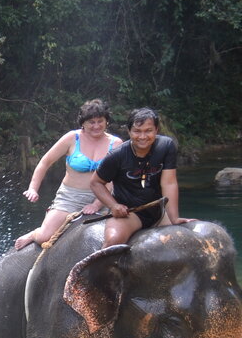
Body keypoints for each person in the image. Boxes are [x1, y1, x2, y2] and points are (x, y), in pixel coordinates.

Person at [15, 99, 120, 250]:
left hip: (103, 197)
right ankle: (34, 234)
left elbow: (113, 179)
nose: (96, 126)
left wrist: (97, 204)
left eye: (100, 121)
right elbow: (45, 162)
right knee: (45, 236)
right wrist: (33, 188)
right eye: (91, 122)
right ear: (82, 122)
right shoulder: (72, 138)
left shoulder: (116, 144)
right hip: (70, 197)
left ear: (107, 122)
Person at [88, 107, 185, 247]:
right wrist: (113, 205)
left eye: (148, 131)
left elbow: (169, 183)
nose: (143, 136)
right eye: (137, 131)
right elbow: (95, 183)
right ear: (129, 131)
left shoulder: (166, 146)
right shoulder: (117, 156)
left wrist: (174, 218)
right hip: (130, 213)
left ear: (156, 130)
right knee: (113, 240)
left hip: (158, 211)